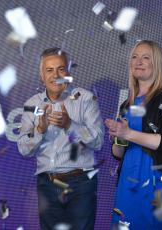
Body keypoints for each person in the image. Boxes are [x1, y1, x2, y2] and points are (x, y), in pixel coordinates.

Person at [105, 40, 162, 229]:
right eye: (135, 57)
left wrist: (128, 133)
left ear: (157, 64)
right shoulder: (126, 105)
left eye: (146, 57)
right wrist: (119, 137)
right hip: (129, 181)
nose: (138, 61)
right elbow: (118, 153)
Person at [17, 47, 105, 230]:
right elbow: (24, 149)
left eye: (61, 69)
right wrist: (39, 129)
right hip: (47, 185)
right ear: (42, 75)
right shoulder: (32, 104)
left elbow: (97, 142)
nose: (55, 75)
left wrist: (70, 126)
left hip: (80, 183)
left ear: (69, 73)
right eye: (49, 70)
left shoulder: (86, 99)